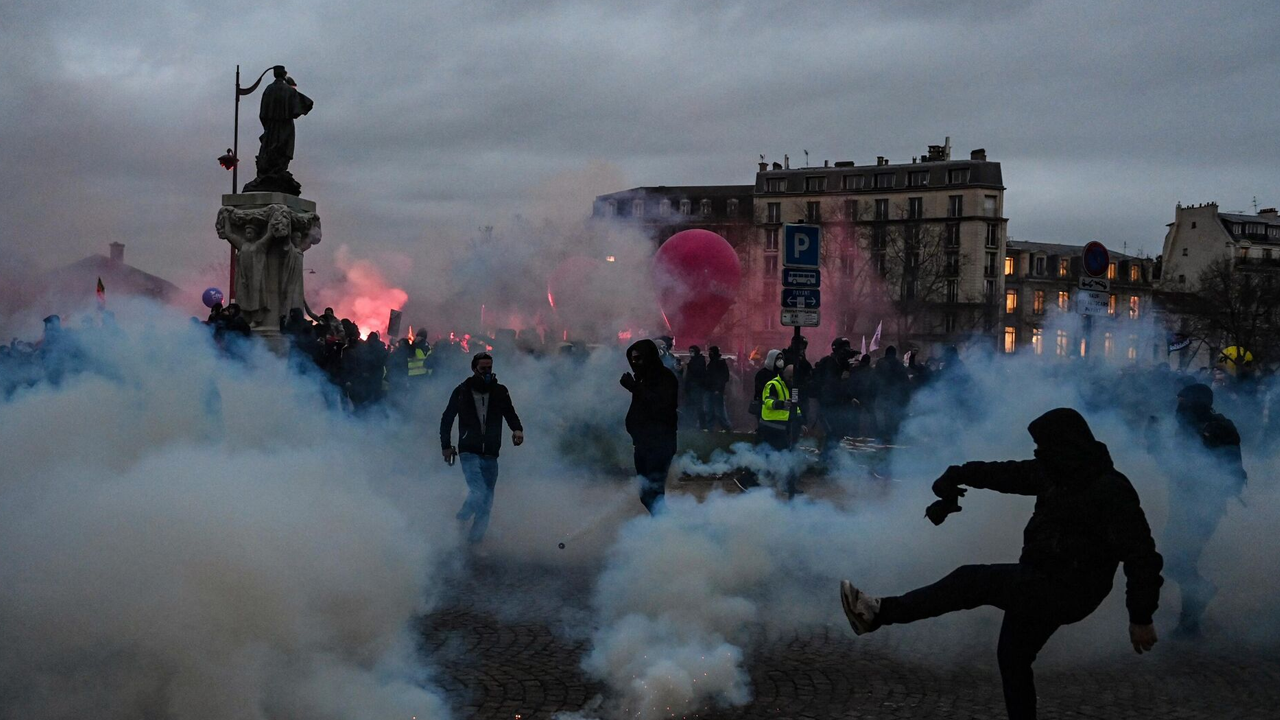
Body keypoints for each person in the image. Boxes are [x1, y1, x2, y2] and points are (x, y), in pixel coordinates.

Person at [839, 408, 1163, 720]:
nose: (1037, 454)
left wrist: (1141, 616)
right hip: (1040, 578)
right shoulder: (1055, 472)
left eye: (1043, 447)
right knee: (1013, 658)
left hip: (1071, 588)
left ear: (1064, 446)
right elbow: (1006, 473)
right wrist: (960, 472)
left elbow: (1142, 555)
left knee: (972, 581)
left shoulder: (1109, 489)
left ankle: (878, 612)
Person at [1151, 383, 1247, 636]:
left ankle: (1192, 618)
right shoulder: (1191, 427)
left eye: (1182, 400)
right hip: (1185, 503)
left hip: (1202, 506)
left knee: (1178, 560)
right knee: (1175, 560)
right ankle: (1190, 620)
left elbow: (1227, 472)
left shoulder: (1215, 429)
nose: (1178, 406)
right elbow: (1175, 468)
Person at [440, 352, 524, 546]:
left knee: (487, 502)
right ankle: (461, 519)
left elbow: (510, 413)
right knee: (478, 492)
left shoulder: (500, 391)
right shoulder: (462, 391)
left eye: (490, 368)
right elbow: (447, 418)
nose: (487, 372)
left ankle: (474, 542)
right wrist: (446, 446)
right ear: (474, 368)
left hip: (491, 452)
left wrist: (517, 429)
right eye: (483, 368)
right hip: (469, 450)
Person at [621, 339, 679, 514]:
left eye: (638, 359)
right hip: (643, 444)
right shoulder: (644, 379)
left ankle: (667, 529)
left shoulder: (665, 377)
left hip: (659, 444)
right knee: (646, 494)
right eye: (632, 359)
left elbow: (660, 404)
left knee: (653, 493)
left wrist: (633, 387)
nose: (634, 363)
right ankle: (664, 528)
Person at [759, 360, 804, 498]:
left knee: (784, 458)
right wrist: (781, 404)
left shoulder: (792, 387)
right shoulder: (773, 384)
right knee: (771, 458)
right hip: (770, 428)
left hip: (783, 429)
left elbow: (795, 406)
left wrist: (801, 422)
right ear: (785, 375)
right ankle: (750, 481)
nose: (791, 380)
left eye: (793, 378)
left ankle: (788, 486)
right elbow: (768, 402)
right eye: (790, 377)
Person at [814, 337, 857, 456]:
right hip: (828, 404)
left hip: (840, 404)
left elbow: (847, 385)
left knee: (841, 432)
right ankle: (825, 459)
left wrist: (850, 397)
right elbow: (828, 384)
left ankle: (829, 457)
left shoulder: (844, 365)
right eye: (844, 350)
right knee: (833, 431)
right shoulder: (828, 363)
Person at [874, 346, 910, 441]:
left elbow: (874, 379)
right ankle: (892, 436)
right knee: (892, 416)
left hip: (882, 393)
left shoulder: (880, 363)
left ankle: (882, 436)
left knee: (881, 416)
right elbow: (905, 381)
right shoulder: (899, 365)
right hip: (895, 395)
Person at [705, 346, 732, 431]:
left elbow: (724, 377)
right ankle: (710, 428)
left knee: (719, 412)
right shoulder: (711, 363)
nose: (710, 354)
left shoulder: (721, 363)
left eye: (711, 352)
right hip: (710, 390)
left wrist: (718, 389)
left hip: (717, 391)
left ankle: (727, 427)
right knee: (709, 410)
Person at [684, 345, 709, 429]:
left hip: (698, 387)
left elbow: (697, 372)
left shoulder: (700, 360)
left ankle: (702, 425)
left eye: (692, 351)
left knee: (699, 407)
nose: (691, 353)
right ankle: (691, 424)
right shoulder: (693, 361)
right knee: (691, 407)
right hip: (692, 387)